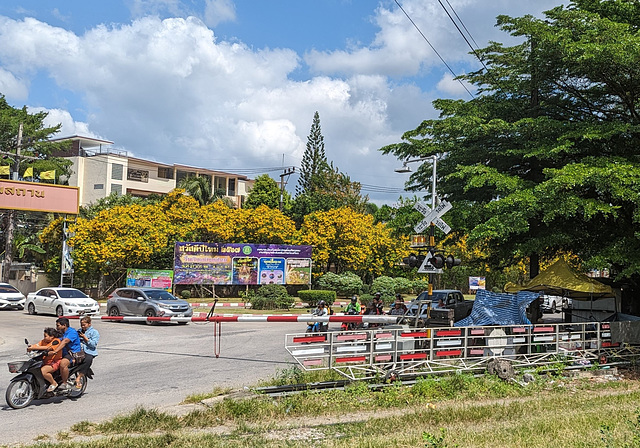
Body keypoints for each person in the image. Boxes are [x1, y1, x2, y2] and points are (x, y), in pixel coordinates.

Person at [50, 317, 82, 390]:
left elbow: (65, 341)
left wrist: (55, 351)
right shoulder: (60, 333)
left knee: (63, 364)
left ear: (64, 325)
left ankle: (65, 383)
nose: (56, 327)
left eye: (58, 325)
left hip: (72, 354)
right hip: (62, 353)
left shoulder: (72, 332)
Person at [27, 328, 62, 392]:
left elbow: (47, 348)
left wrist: (33, 347)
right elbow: (37, 345)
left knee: (43, 371)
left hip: (54, 362)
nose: (44, 338)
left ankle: (54, 383)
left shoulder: (56, 341)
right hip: (44, 361)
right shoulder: (43, 341)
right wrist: (31, 347)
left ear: (52, 336)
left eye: (45, 336)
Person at [75, 316, 99, 389]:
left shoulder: (94, 332)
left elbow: (93, 344)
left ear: (89, 324)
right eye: (81, 325)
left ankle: (79, 377)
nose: (83, 326)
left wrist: (85, 338)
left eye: (84, 325)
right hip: (79, 350)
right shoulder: (79, 331)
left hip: (89, 351)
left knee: (88, 359)